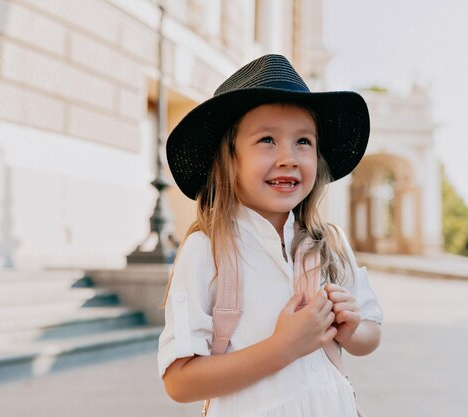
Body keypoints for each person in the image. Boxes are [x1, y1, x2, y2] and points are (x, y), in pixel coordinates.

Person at [157, 54, 383, 417]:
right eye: (266, 140)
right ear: (228, 160)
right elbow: (179, 382)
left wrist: (351, 328)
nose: (288, 157)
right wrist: (284, 346)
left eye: (303, 142)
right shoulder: (207, 249)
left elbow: (371, 335)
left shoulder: (330, 243)